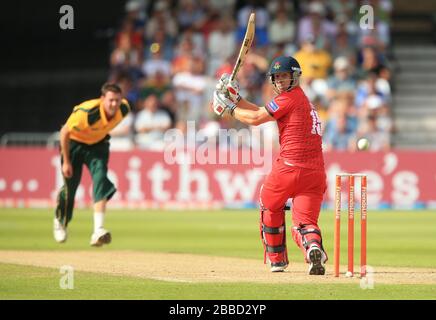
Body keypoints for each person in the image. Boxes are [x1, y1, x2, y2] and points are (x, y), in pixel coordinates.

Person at [212, 56, 328, 275]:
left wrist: (228, 109)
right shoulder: (300, 99)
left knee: (269, 204)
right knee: (305, 221)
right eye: (277, 77)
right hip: (316, 174)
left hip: (289, 168)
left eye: (285, 76)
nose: (281, 81)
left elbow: (256, 119)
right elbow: (261, 110)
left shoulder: (289, 99)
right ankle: (313, 247)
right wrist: (236, 99)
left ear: (295, 77)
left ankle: (277, 260)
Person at [53, 83, 131, 246]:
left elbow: (105, 127)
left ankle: (98, 230)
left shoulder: (124, 109)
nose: (114, 104)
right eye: (110, 100)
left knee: (101, 179)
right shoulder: (87, 112)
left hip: (97, 146)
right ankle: (60, 222)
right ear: (102, 99)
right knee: (70, 188)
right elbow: (64, 131)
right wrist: (66, 161)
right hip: (74, 144)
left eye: (117, 100)